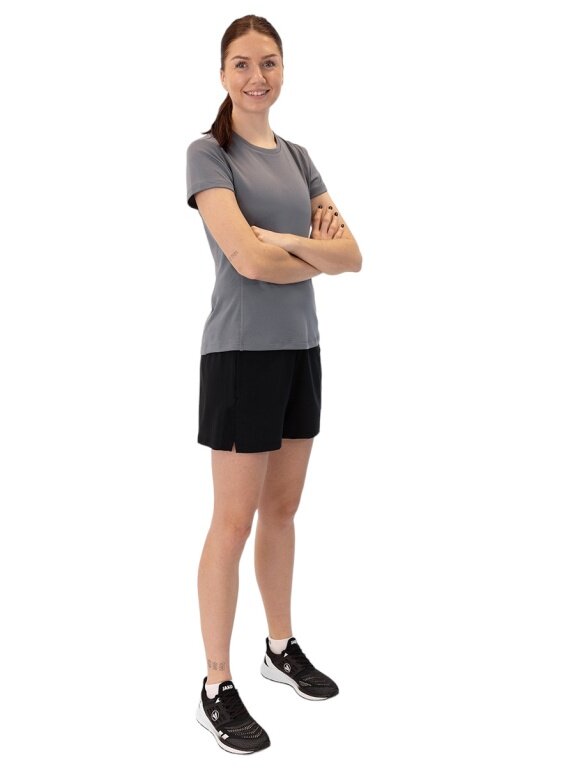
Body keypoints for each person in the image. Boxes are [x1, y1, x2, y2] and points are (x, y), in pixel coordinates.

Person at [185, 14, 362, 755]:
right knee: (233, 522)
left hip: (300, 349)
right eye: (242, 64)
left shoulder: (298, 156)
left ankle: (279, 648)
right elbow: (246, 262)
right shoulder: (208, 153)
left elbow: (352, 256)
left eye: (269, 62)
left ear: (283, 69)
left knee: (283, 511)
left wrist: (284, 241)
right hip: (240, 355)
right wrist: (305, 251)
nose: (257, 76)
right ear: (223, 73)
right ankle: (216, 685)